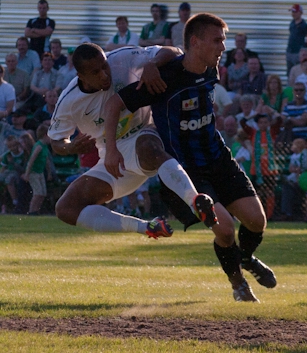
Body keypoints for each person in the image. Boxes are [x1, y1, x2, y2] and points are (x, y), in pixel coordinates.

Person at [104, 14, 276, 303]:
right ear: (195, 42)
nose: (224, 47)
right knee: (224, 228)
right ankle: (239, 285)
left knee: (257, 221)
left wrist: (153, 61)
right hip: (185, 170)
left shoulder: (211, 68)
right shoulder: (164, 78)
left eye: (224, 40)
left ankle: (245, 258)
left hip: (218, 158)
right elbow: (113, 104)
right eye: (217, 40)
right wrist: (110, 148)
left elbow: (172, 51)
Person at [48, 43, 215, 245]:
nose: (104, 74)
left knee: (147, 148)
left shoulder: (122, 58)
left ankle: (195, 202)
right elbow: (56, 141)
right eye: (95, 72)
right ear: (81, 76)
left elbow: (175, 51)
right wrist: (70, 147)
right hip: (114, 157)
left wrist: (152, 64)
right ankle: (147, 227)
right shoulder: (69, 100)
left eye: (104, 66)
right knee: (66, 209)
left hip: (147, 131)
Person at [21, 124, 50, 215]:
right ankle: (31, 211)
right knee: (37, 193)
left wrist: (49, 173)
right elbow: (31, 160)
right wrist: (27, 174)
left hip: (40, 172)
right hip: (34, 173)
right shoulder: (39, 146)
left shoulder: (45, 147)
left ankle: (36, 210)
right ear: (45, 135)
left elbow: (46, 160)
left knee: (42, 193)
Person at [0, 135, 26, 213]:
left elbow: (23, 169)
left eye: (14, 146)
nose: (12, 148)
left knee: (9, 179)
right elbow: (3, 168)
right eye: (10, 147)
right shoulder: (7, 154)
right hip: (8, 171)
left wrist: (12, 162)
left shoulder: (23, 154)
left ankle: (15, 201)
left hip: (17, 173)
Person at [286, 4, 307, 75]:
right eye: (292, 12)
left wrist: (305, 47)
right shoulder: (292, 23)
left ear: (300, 12)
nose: (293, 14)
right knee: (290, 72)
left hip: (298, 52)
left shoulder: (304, 25)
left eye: (295, 12)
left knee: (298, 71)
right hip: (290, 51)